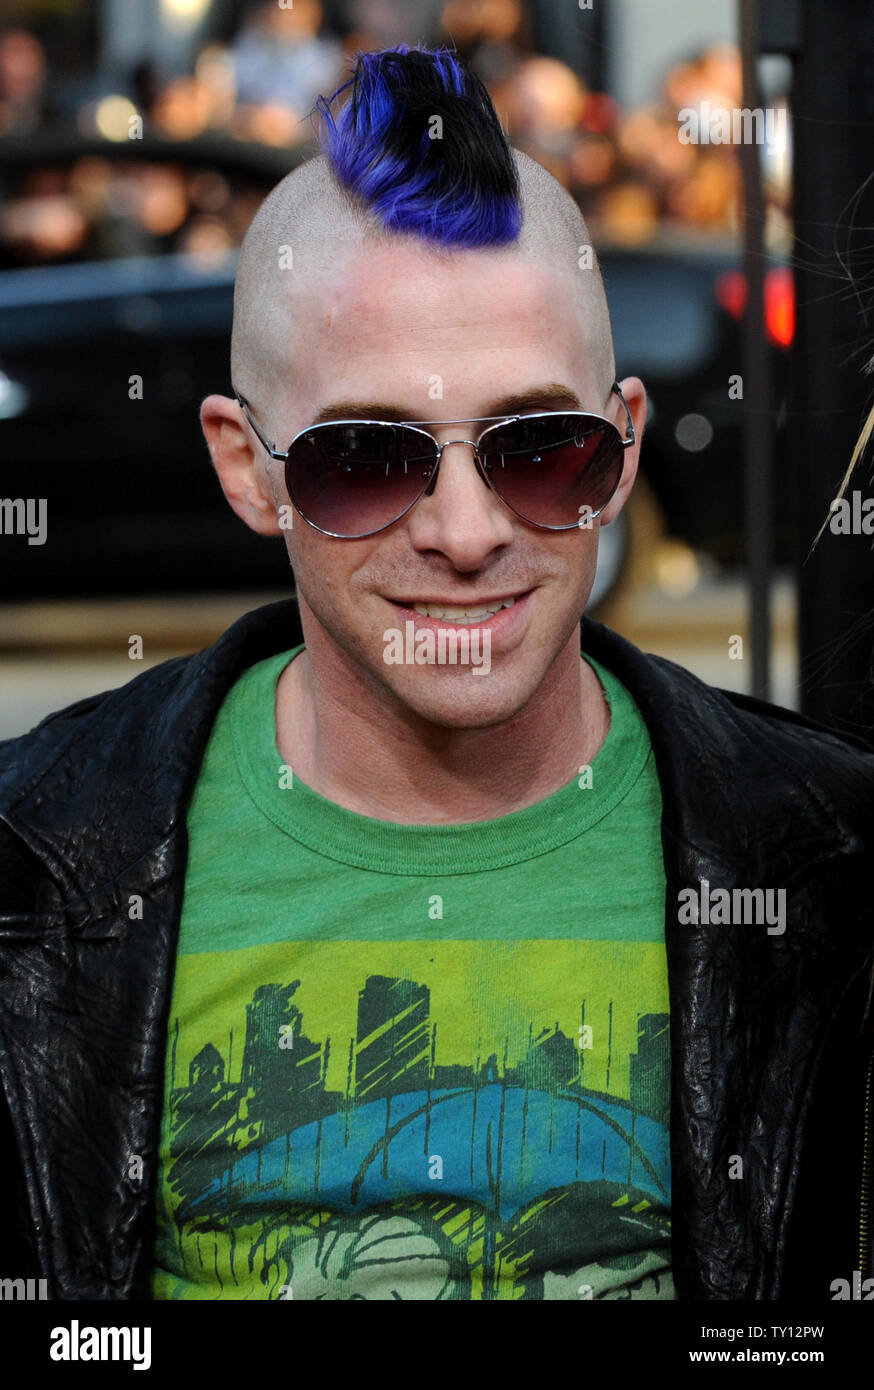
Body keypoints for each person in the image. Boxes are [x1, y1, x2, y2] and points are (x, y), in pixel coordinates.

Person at [1, 44, 873, 1303]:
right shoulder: (37, 865)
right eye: (367, 456)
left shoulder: (827, 861)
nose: (466, 534)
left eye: (538, 449)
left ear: (621, 450)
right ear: (249, 469)